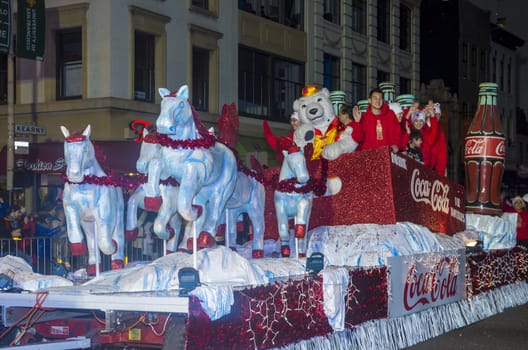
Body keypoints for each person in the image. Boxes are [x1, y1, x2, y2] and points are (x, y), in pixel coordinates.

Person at [353, 88, 401, 153]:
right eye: (375, 98)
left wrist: (396, 145)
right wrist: (357, 123)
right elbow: (357, 139)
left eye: (380, 98)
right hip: (369, 155)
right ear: (369, 100)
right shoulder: (363, 117)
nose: (378, 101)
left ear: (383, 100)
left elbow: (397, 133)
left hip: (387, 154)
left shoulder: (390, 114)